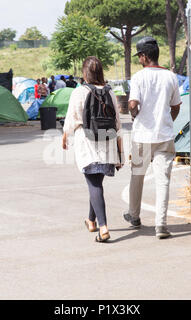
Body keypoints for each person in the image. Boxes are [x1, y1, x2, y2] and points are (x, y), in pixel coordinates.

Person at [122, 36, 182, 240]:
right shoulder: (171, 77)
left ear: (145, 56)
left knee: (137, 176)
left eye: (139, 55)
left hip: (142, 136)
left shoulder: (139, 77)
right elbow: (176, 107)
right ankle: (161, 224)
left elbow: (132, 104)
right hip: (164, 135)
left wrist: (134, 114)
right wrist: (167, 121)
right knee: (162, 180)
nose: (139, 59)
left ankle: (134, 215)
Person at [62, 56, 124, 243]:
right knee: (96, 182)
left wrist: (65, 136)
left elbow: (71, 119)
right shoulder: (110, 92)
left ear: (85, 73)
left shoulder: (79, 92)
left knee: (94, 185)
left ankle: (103, 227)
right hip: (107, 141)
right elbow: (117, 123)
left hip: (87, 142)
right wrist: (120, 148)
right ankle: (91, 220)